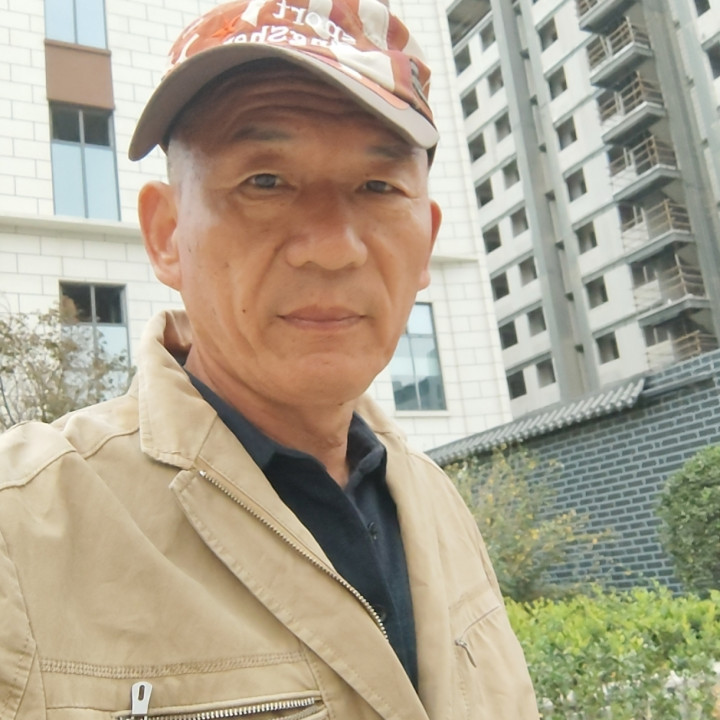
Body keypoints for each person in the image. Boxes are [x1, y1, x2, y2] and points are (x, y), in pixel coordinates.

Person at [0, 0, 539, 718]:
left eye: (378, 187)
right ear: (166, 234)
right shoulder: (25, 527)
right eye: (265, 182)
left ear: (427, 245)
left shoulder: (439, 505)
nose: (332, 247)